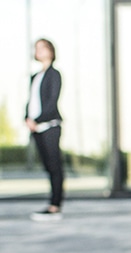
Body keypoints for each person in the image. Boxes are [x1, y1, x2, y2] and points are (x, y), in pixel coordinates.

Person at [26, 38, 64, 221]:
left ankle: (55, 205)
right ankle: (52, 203)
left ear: (51, 50)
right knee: (48, 167)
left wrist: (36, 119)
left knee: (55, 166)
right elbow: (31, 101)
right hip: (36, 128)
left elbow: (51, 102)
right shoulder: (35, 76)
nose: (39, 51)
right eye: (36, 48)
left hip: (50, 126)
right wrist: (26, 118)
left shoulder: (54, 74)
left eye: (43, 47)